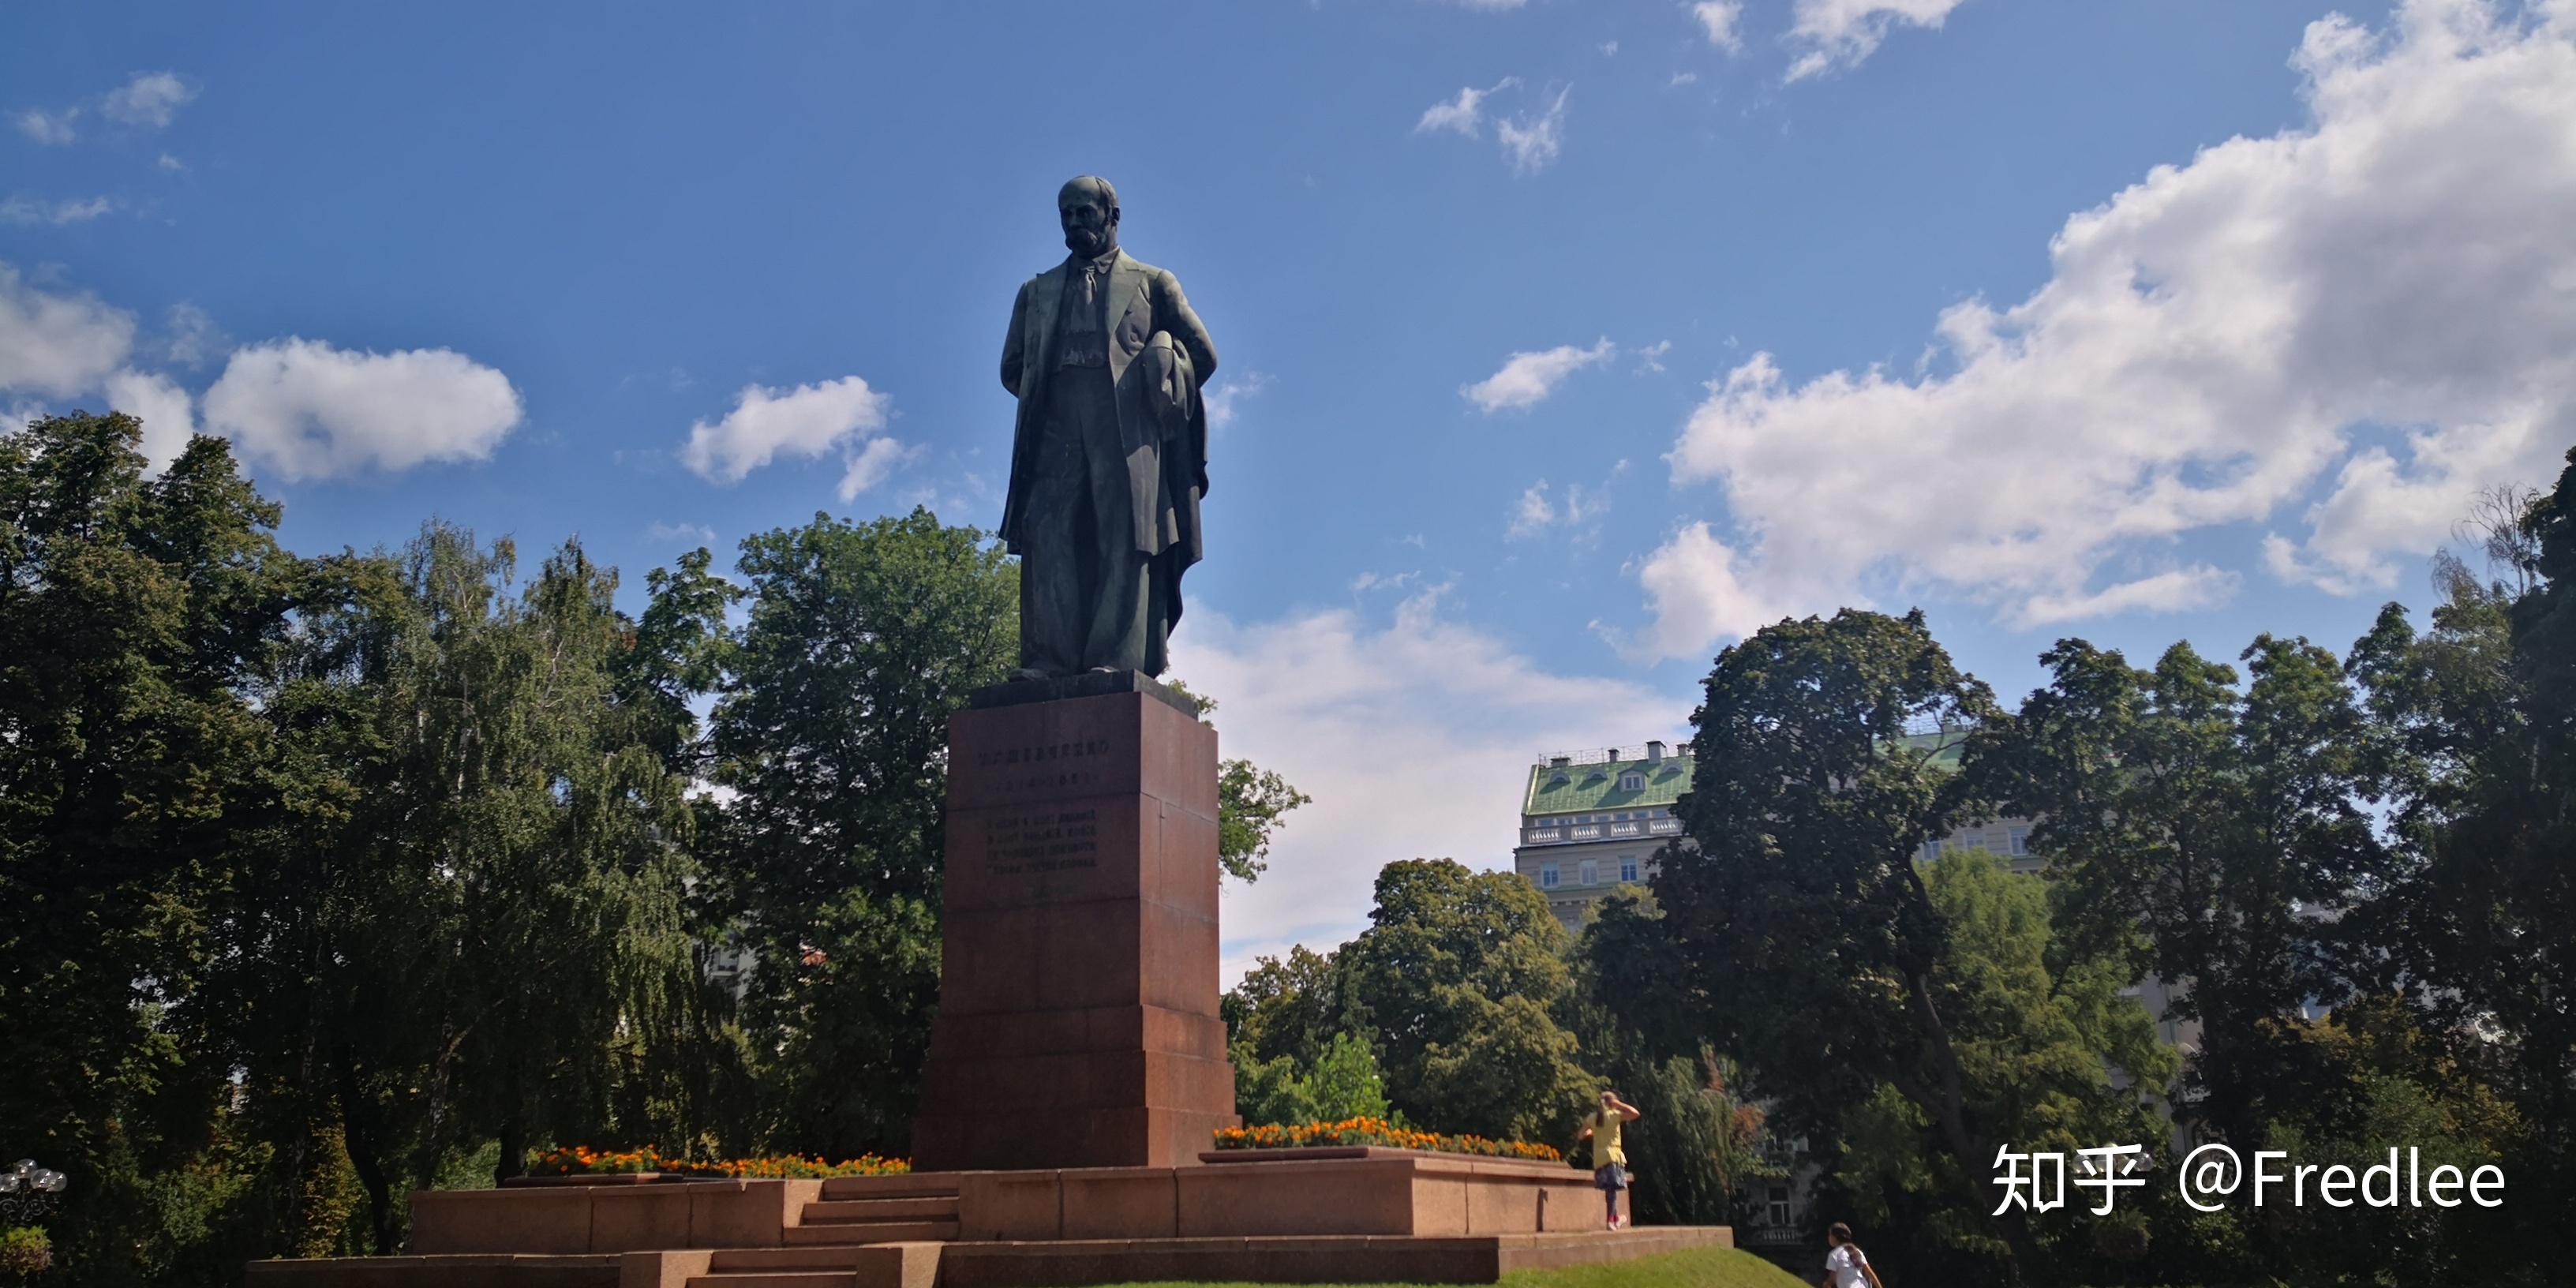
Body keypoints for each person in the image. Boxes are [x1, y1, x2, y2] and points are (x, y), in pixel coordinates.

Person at [997, 174, 1219, 680]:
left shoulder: (1154, 282)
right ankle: (1046, 660)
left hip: (1125, 423)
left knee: (1124, 535)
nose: (1074, 223)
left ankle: (1114, 657)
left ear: (1111, 215)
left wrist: (1162, 363)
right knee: (1050, 536)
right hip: (1055, 424)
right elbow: (1013, 368)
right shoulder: (1037, 291)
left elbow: (1203, 354)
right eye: (1066, 215)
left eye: (1085, 213)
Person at [1576, 1089, 1641, 1230]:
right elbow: (1635, 1113)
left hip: (1599, 1158)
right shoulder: (1615, 1115)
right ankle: (1610, 1220)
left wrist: (1590, 1133)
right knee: (1612, 1189)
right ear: (1612, 1102)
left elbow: (1580, 1135)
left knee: (1609, 1190)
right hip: (1613, 1156)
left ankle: (1615, 1218)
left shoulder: (1593, 1117)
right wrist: (1619, 1104)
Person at [1822, 1222, 1886, 1288]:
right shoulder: (1857, 1252)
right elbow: (1869, 1272)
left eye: (1830, 1235)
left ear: (1835, 1237)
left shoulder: (1834, 1254)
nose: (1829, 1237)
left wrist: (1827, 1284)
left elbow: (1833, 1279)